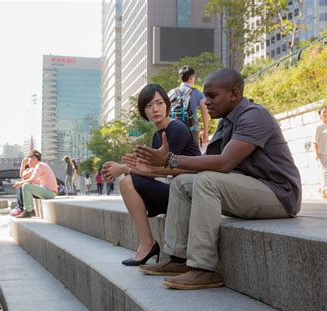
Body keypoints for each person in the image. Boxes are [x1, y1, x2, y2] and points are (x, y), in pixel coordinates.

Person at [134, 69, 301, 290]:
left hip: (279, 194)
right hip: (248, 188)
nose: (205, 102)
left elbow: (224, 163)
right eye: (205, 96)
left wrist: (170, 160)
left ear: (233, 94)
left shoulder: (254, 115)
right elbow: (209, 162)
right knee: (183, 182)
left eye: (212, 96)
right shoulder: (226, 122)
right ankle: (177, 259)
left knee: (206, 181)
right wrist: (163, 163)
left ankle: (203, 269)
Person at [103, 83, 201, 266]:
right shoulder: (158, 136)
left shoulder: (177, 128)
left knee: (127, 180)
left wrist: (125, 168)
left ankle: (148, 245)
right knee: (127, 182)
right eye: (149, 106)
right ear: (143, 111)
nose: (155, 109)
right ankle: (147, 243)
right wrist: (127, 167)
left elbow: (167, 168)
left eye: (159, 103)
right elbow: (151, 171)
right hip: (177, 192)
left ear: (167, 105)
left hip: (193, 193)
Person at [168, 66, 210, 146]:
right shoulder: (197, 93)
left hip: (174, 129)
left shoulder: (170, 93)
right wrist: (206, 132)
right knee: (193, 156)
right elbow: (205, 112)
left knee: (175, 155)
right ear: (191, 78)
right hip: (192, 129)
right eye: (194, 77)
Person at [12, 150, 58, 218]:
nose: (27, 163)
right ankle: (30, 210)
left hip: (50, 193)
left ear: (34, 158)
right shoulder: (38, 166)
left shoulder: (40, 165)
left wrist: (20, 183)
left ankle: (28, 211)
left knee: (26, 185)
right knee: (25, 185)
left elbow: (32, 180)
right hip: (47, 191)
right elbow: (24, 176)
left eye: (28, 160)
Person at [314, 107, 327, 198]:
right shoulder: (318, 127)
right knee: (325, 171)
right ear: (320, 115)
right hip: (323, 153)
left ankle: (321, 188)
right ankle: (325, 191)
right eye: (324, 112)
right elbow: (315, 141)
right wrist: (316, 153)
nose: (325, 113)